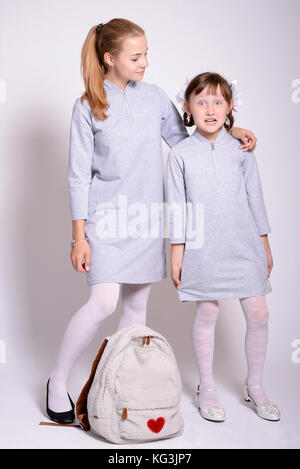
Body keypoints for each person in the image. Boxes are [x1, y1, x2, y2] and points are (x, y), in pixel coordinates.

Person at [46, 19, 258, 424]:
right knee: (103, 302)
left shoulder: (157, 98)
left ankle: (121, 388)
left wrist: (231, 131)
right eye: (136, 56)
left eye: (146, 54)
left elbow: (186, 146)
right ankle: (58, 381)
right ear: (110, 59)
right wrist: (79, 236)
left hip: (146, 219)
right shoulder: (87, 106)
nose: (145, 62)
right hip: (107, 219)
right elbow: (77, 175)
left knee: (136, 306)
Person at [166, 72, 280, 422]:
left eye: (218, 101)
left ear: (230, 108)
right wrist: (177, 251)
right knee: (209, 312)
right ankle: (207, 388)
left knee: (258, 312)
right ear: (188, 108)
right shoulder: (180, 155)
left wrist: (265, 243)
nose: (210, 109)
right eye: (201, 102)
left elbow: (255, 198)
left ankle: (255, 387)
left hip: (243, 243)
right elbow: (177, 205)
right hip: (202, 246)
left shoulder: (241, 150)